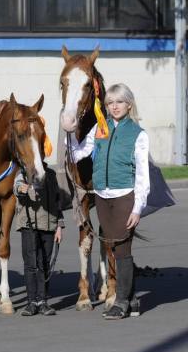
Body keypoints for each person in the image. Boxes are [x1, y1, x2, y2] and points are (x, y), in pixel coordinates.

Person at [68, 83, 149, 320]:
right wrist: (70, 133)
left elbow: (143, 175)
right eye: (110, 103)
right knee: (112, 245)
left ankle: (122, 301)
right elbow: (78, 153)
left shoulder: (138, 134)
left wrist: (137, 207)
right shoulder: (99, 129)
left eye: (119, 102)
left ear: (129, 105)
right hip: (102, 197)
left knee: (121, 247)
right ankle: (132, 299)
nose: (114, 107)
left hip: (125, 196)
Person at [13, 162, 64, 316]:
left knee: (44, 264)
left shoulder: (51, 174)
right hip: (29, 225)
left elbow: (57, 200)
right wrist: (23, 188)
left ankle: (42, 301)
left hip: (49, 225)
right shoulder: (23, 173)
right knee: (30, 264)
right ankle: (31, 302)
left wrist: (59, 226)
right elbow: (16, 188)